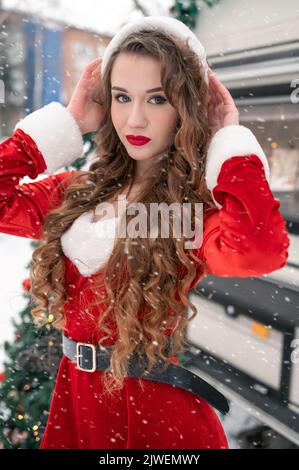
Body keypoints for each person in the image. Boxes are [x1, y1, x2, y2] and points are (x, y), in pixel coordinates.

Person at [0, 16, 290, 449]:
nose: (134, 118)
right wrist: (71, 120)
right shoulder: (75, 193)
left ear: (185, 107)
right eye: (122, 97)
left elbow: (259, 249)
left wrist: (228, 136)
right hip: (77, 404)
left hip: (152, 420)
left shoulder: (189, 212)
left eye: (157, 99)